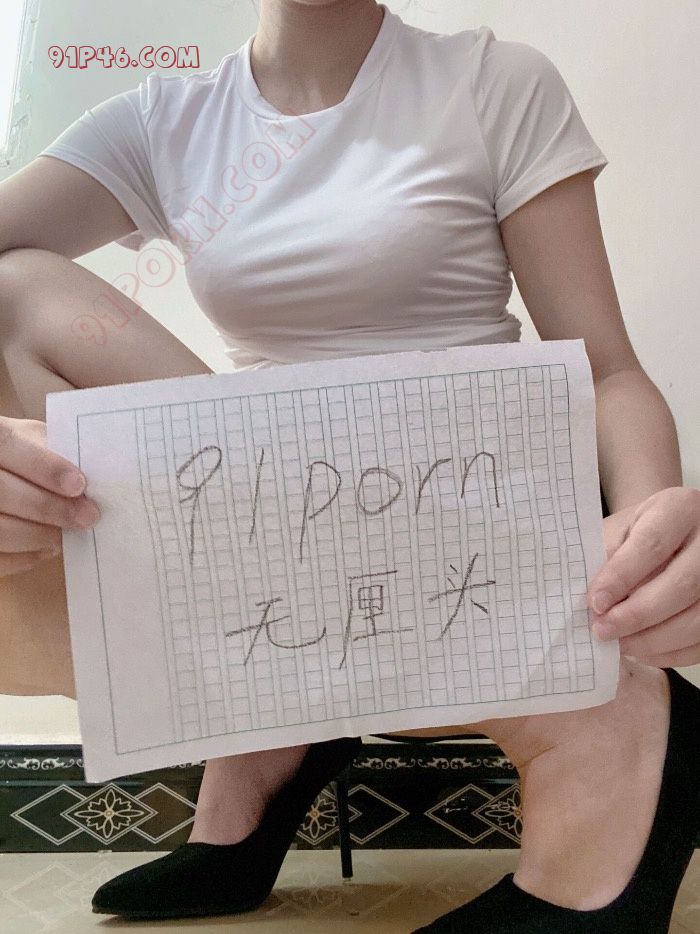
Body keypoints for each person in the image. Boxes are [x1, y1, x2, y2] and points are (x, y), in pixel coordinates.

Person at [0, 0, 698, 929]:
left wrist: (652, 530)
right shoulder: (163, 119)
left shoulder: (490, 81)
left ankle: (620, 735)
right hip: (277, 523)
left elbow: (609, 370)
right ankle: (272, 723)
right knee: (12, 296)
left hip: (465, 513)